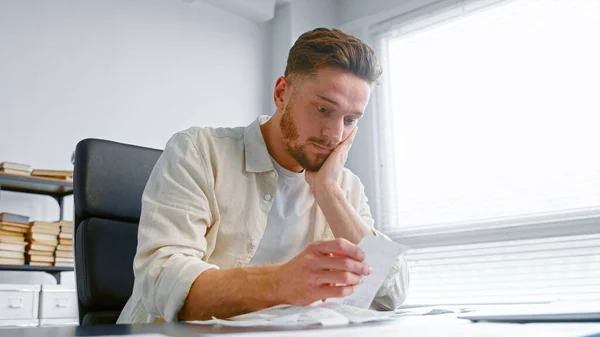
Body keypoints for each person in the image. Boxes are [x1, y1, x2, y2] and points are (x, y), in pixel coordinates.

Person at [117, 28, 409, 324]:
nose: (334, 134)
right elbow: (161, 280)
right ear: (282, 93)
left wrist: (329, 192)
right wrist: (280, 283)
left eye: (350, 120)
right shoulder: (198, 152)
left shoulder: (345, 186)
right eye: (323, 109)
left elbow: (391, 294)